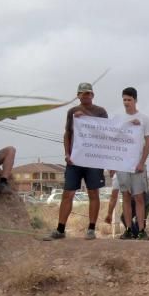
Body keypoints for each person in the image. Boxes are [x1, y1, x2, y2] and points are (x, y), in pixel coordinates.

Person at [50, 82, 108, 240]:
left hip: (93, 159)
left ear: (93, 95)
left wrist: (86, 118)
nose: (86, 96)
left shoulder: (101, 112)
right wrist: (67, 154)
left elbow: (104, 132)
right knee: (68, 193)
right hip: (75, 160)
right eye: (82, 93)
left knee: (93, 193)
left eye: (88, 93)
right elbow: (67, 133)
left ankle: (91, 229)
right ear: (78, 95)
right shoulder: (72, 111)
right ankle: (60, 229)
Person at [113, 87, 149, 240]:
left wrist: (142, 162)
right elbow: (113, 140)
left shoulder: (144, 119)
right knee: (125, 196)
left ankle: (142, 230)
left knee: (139, 197)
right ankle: (129, 229)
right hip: (122, 164)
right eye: (124, 99)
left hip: (137, 165)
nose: (126, 102)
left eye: (129, 99)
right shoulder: (118, 119)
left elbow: (148, 143)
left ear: (135, 100)